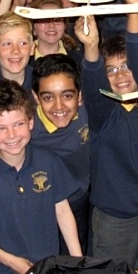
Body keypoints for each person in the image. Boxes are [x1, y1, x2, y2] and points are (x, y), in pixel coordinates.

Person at [0, 80, 82, 274]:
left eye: (18, 124)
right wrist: (12, 262)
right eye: (1, 128)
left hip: (48, 271)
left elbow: (62, 211)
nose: (12, 135)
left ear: (31, 122)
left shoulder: (48, 161)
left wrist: (78, 263)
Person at [75, 18, 138, 270]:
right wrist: (91, 47)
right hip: (115, 220)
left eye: (126, 67)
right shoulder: (105, 114)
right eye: (110, 70)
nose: (120, 75)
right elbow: (92, 85)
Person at [30, 54, 92, 253]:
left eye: (67, 95)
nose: (59, 106)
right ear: (35, 97)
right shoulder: (26, 130)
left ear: (80, 96)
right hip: (41, 210)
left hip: (80, 201)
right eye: (48, 97)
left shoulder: (87, 112)